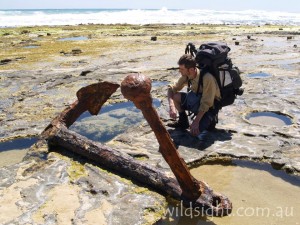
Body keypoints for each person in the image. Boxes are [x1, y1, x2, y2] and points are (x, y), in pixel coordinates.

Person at [167, 54, 221, 136]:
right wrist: (171, 106)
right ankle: (183, 122)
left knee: (195, 133)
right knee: (175, 96)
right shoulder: (187, 75)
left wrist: (196, 122)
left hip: (209, 108)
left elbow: (206, 103)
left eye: (182, 69)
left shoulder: (207, 78)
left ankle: (210, 120)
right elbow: (171, 89)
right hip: (197, 101)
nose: (179, 71)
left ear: (191, 69)